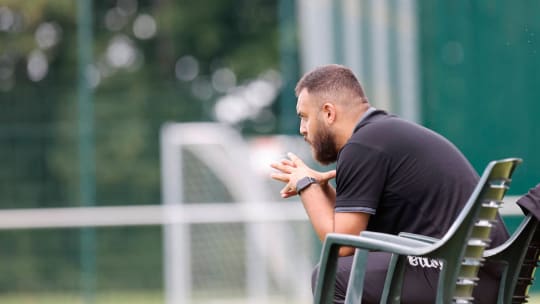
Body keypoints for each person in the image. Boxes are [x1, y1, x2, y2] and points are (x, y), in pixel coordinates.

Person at [270, 64, 509, 303]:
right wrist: (319, 187)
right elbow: (356, 236)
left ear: (329, 113)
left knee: (331, 274)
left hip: (460, 278)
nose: (302, 129)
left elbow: (341, 246)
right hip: (475, 274)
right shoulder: (377, 136)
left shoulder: (362, 146)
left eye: (304, 117)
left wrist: (306, 185)